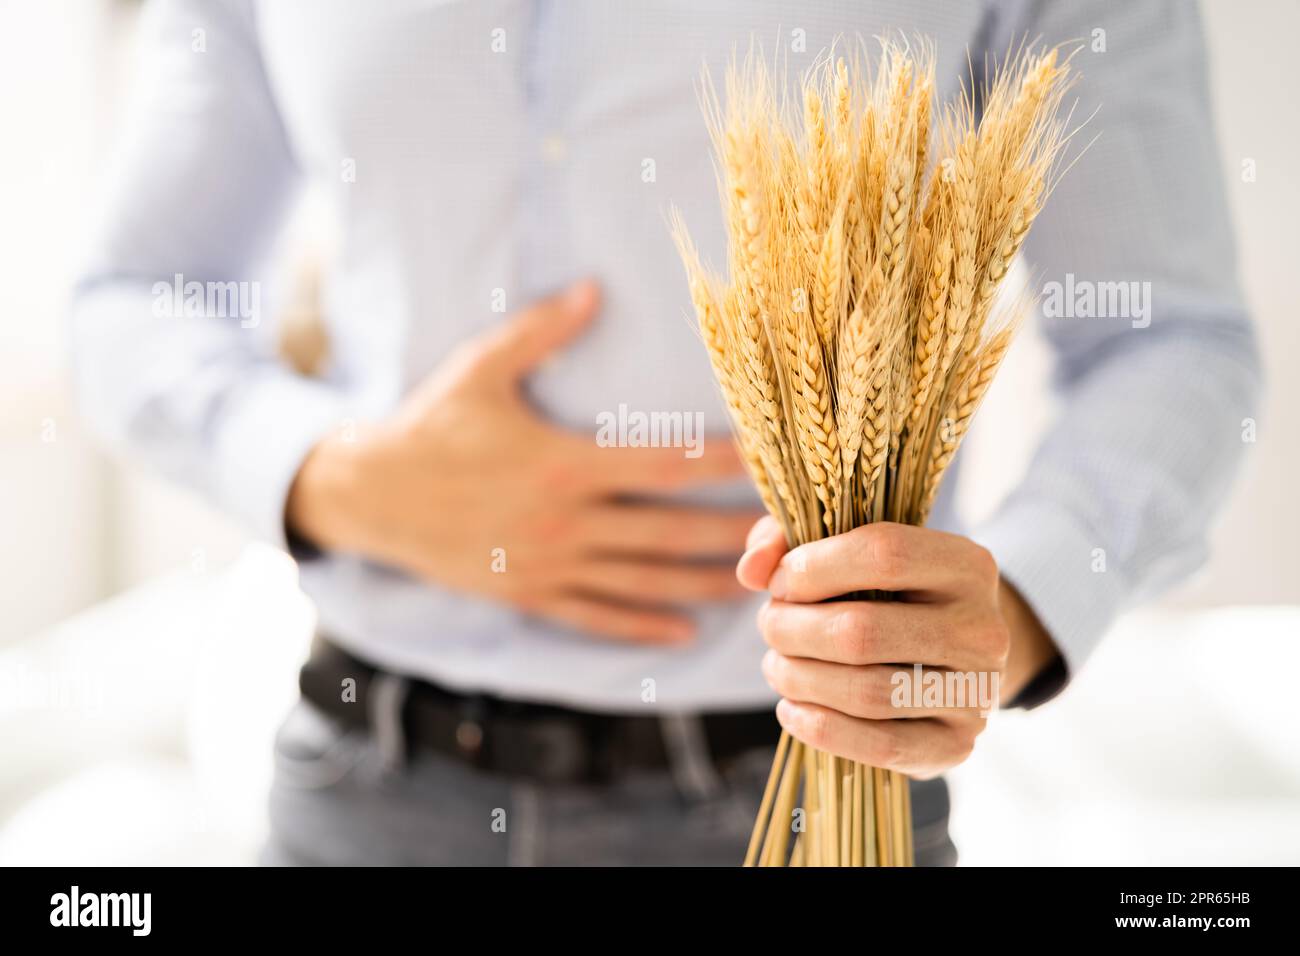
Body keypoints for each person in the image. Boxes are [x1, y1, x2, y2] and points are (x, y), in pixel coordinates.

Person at [70, 0, 1259, 865]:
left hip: (809, 803)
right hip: (362, 781)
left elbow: (1174, 339)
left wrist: (1009, 616)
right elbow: (128, 299)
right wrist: (333, 476)